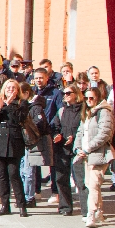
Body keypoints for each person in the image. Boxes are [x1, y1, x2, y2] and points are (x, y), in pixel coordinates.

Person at [0, 79, 29, 217]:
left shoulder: (21, 103)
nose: (11, 90)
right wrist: (1, 106)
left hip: (14, 141)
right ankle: (5, 205)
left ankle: (22, 205)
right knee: (2, 176)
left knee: (14, 174)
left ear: (18, 90)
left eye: (13, 88)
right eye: (8, 88)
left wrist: (11, 105)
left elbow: (20, 118)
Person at [76, 86, 115, 228]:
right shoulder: (87, 113)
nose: (88, 101)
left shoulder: (104, 112)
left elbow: (104, 134)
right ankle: (99, 211)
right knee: (91, 185)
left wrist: (88, 148)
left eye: (91, 98)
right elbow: (80, 131)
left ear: (98, 97)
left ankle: (91, 214)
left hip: (100, 154)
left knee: (94, 184)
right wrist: (78, 148)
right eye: (86, 98)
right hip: (87, 154)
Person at [51, 84, 83, 217]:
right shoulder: (62, 110)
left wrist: (74, 138)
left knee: (81, 181)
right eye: (64, 93)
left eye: (69, 93)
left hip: (77, 149)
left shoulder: (83, 111)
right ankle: (65, 207)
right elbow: (54, 126)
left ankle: (87, 209)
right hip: (62, 149)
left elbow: (84, 129)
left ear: (76, 94)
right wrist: (56, 135)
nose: (65, 96)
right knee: (61, 178)